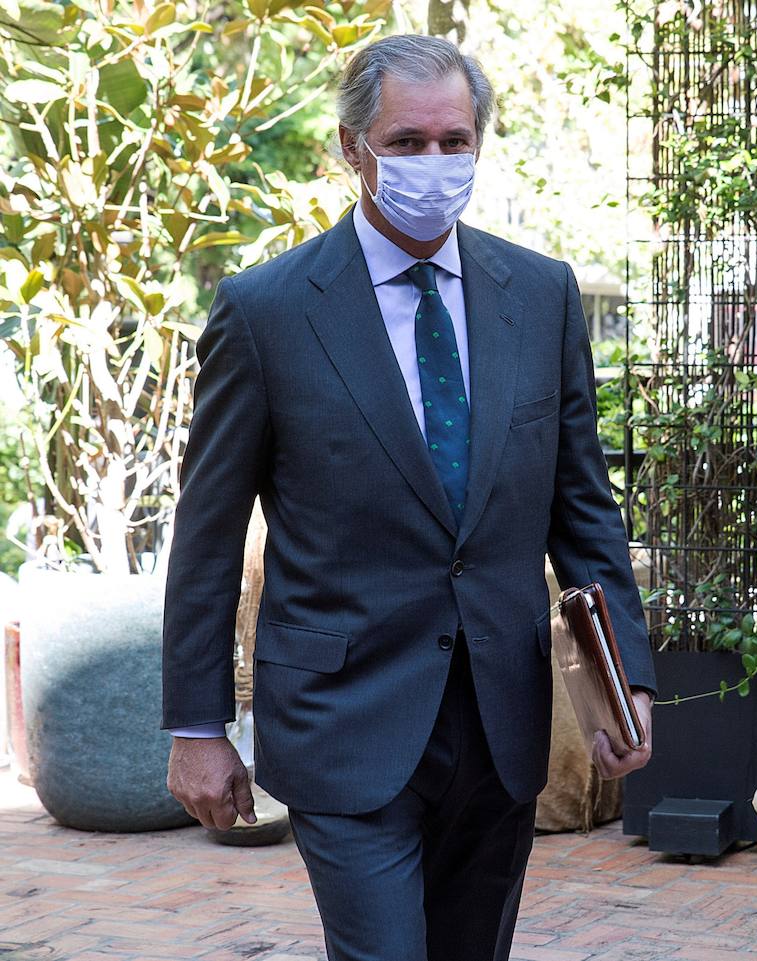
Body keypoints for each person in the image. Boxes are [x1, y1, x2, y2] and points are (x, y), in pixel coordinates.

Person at [160, 33, 656, 961]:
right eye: (408, 142)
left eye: (454, 141)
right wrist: (198, 727)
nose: (436, 162)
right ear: (353, 148)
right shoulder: (266, 312)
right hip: (343, 719)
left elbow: (583, 503)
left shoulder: (539, 295)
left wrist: (621, 675)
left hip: (501, 719)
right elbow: (209, 533)